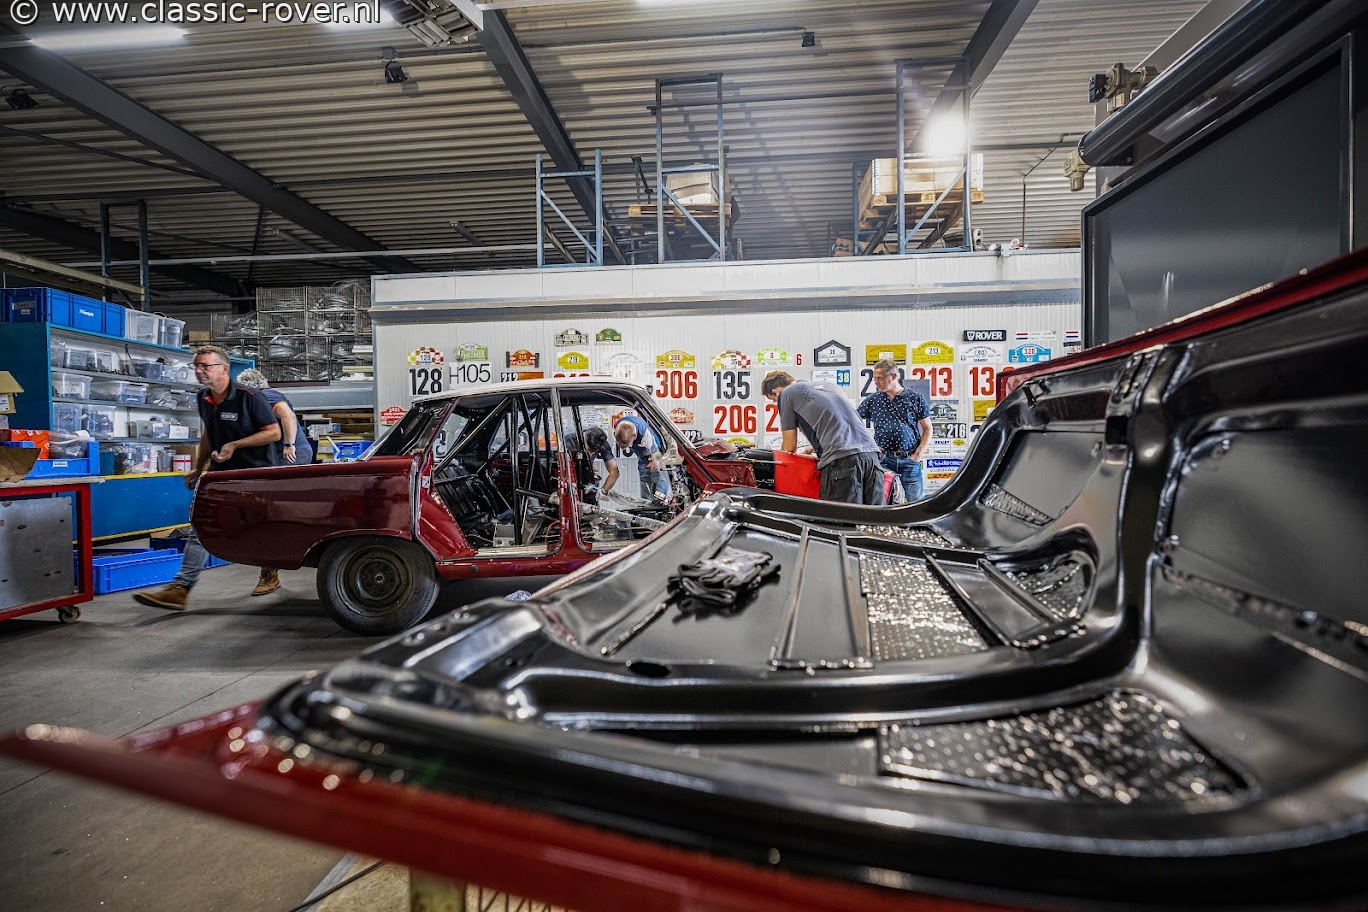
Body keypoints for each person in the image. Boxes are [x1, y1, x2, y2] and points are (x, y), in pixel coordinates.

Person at [133, 346, 281, 611]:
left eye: (206, 366)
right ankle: (181, 589)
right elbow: (209, 434)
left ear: (224, 369)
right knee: (200, 525)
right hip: (220, 476)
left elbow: (273, 433)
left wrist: (235, 445)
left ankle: (270, 571)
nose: (200, 371)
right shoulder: (203, 398)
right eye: (197, 366)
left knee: (261, 527)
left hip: (256, 475)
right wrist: (197, 467)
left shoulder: (250, 397)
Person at [233, 368, 313, 595]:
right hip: (281, 457)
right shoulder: (258, 402)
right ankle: (273, 567)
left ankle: (270, 571)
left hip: (289, 456)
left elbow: (287, 415)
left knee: (268, 512)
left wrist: (289, 445)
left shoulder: (267, 396)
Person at [761, 370, 884, 505]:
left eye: (774, 400)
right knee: (874, 516)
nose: (776, 403)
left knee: (842, 517)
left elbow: (789, 447)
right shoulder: (828, 385)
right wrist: (814, 447)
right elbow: (840, 425)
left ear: (776, 391)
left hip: (842, 462)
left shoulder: (786, 394)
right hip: (872, 456)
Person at [857, 359, 932, 502]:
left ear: (894, 376)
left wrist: (919, 453)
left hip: (909, 459)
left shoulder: (915, 398)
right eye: (874, 378)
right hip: (883, 460)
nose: (876, 382)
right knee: (880, 501)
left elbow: (928, 428)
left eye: (880, 378)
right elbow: (854, 421)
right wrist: (869, 444)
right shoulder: (873, 400)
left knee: (916, 502)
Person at [613, 415, 669, 501]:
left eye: (624, 444)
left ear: (634, 436)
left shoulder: (646, 436)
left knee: (657, 472)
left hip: (653, 450)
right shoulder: (618, 425)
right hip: (641, 452)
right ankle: (645, 501)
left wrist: (655, 462)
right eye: (618, 442)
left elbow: (656, 452)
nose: (620, 446)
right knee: (644, 476)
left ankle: (660, 497)